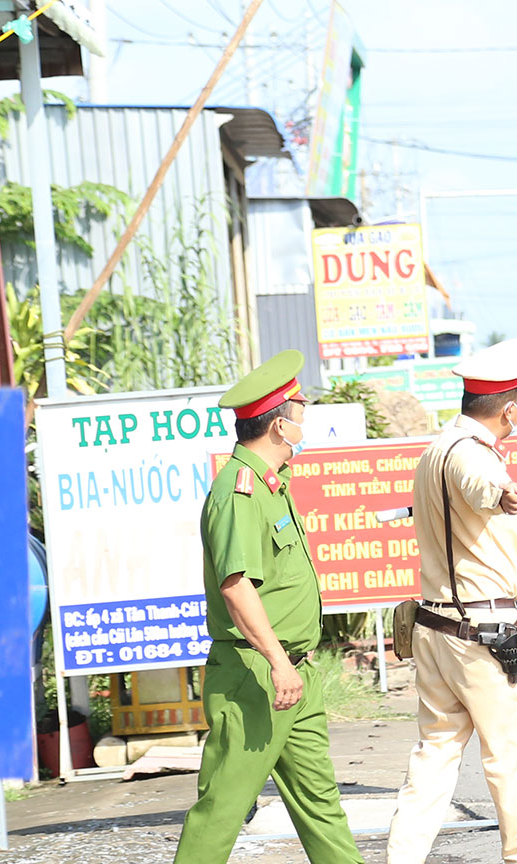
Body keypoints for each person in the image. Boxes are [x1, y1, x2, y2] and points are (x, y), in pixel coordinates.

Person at [174, 350, 365, 864]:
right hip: (256, 676)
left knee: (321, 804)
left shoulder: (271, 487)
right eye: (301, 411)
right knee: (224, 810)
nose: (306, 420)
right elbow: (237, 588)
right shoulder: (237, 492)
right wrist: (279, 662)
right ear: (280, 425)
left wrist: (291, 665)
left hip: (292, 674)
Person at [386, 338, 517, 864]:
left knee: (433, 758)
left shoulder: (434, 450)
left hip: (436, 631)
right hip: (484, 637)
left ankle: (402, 858)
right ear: (511, 408)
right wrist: (503, 493)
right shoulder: (474, 458)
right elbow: (482, 485)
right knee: (513, 756)